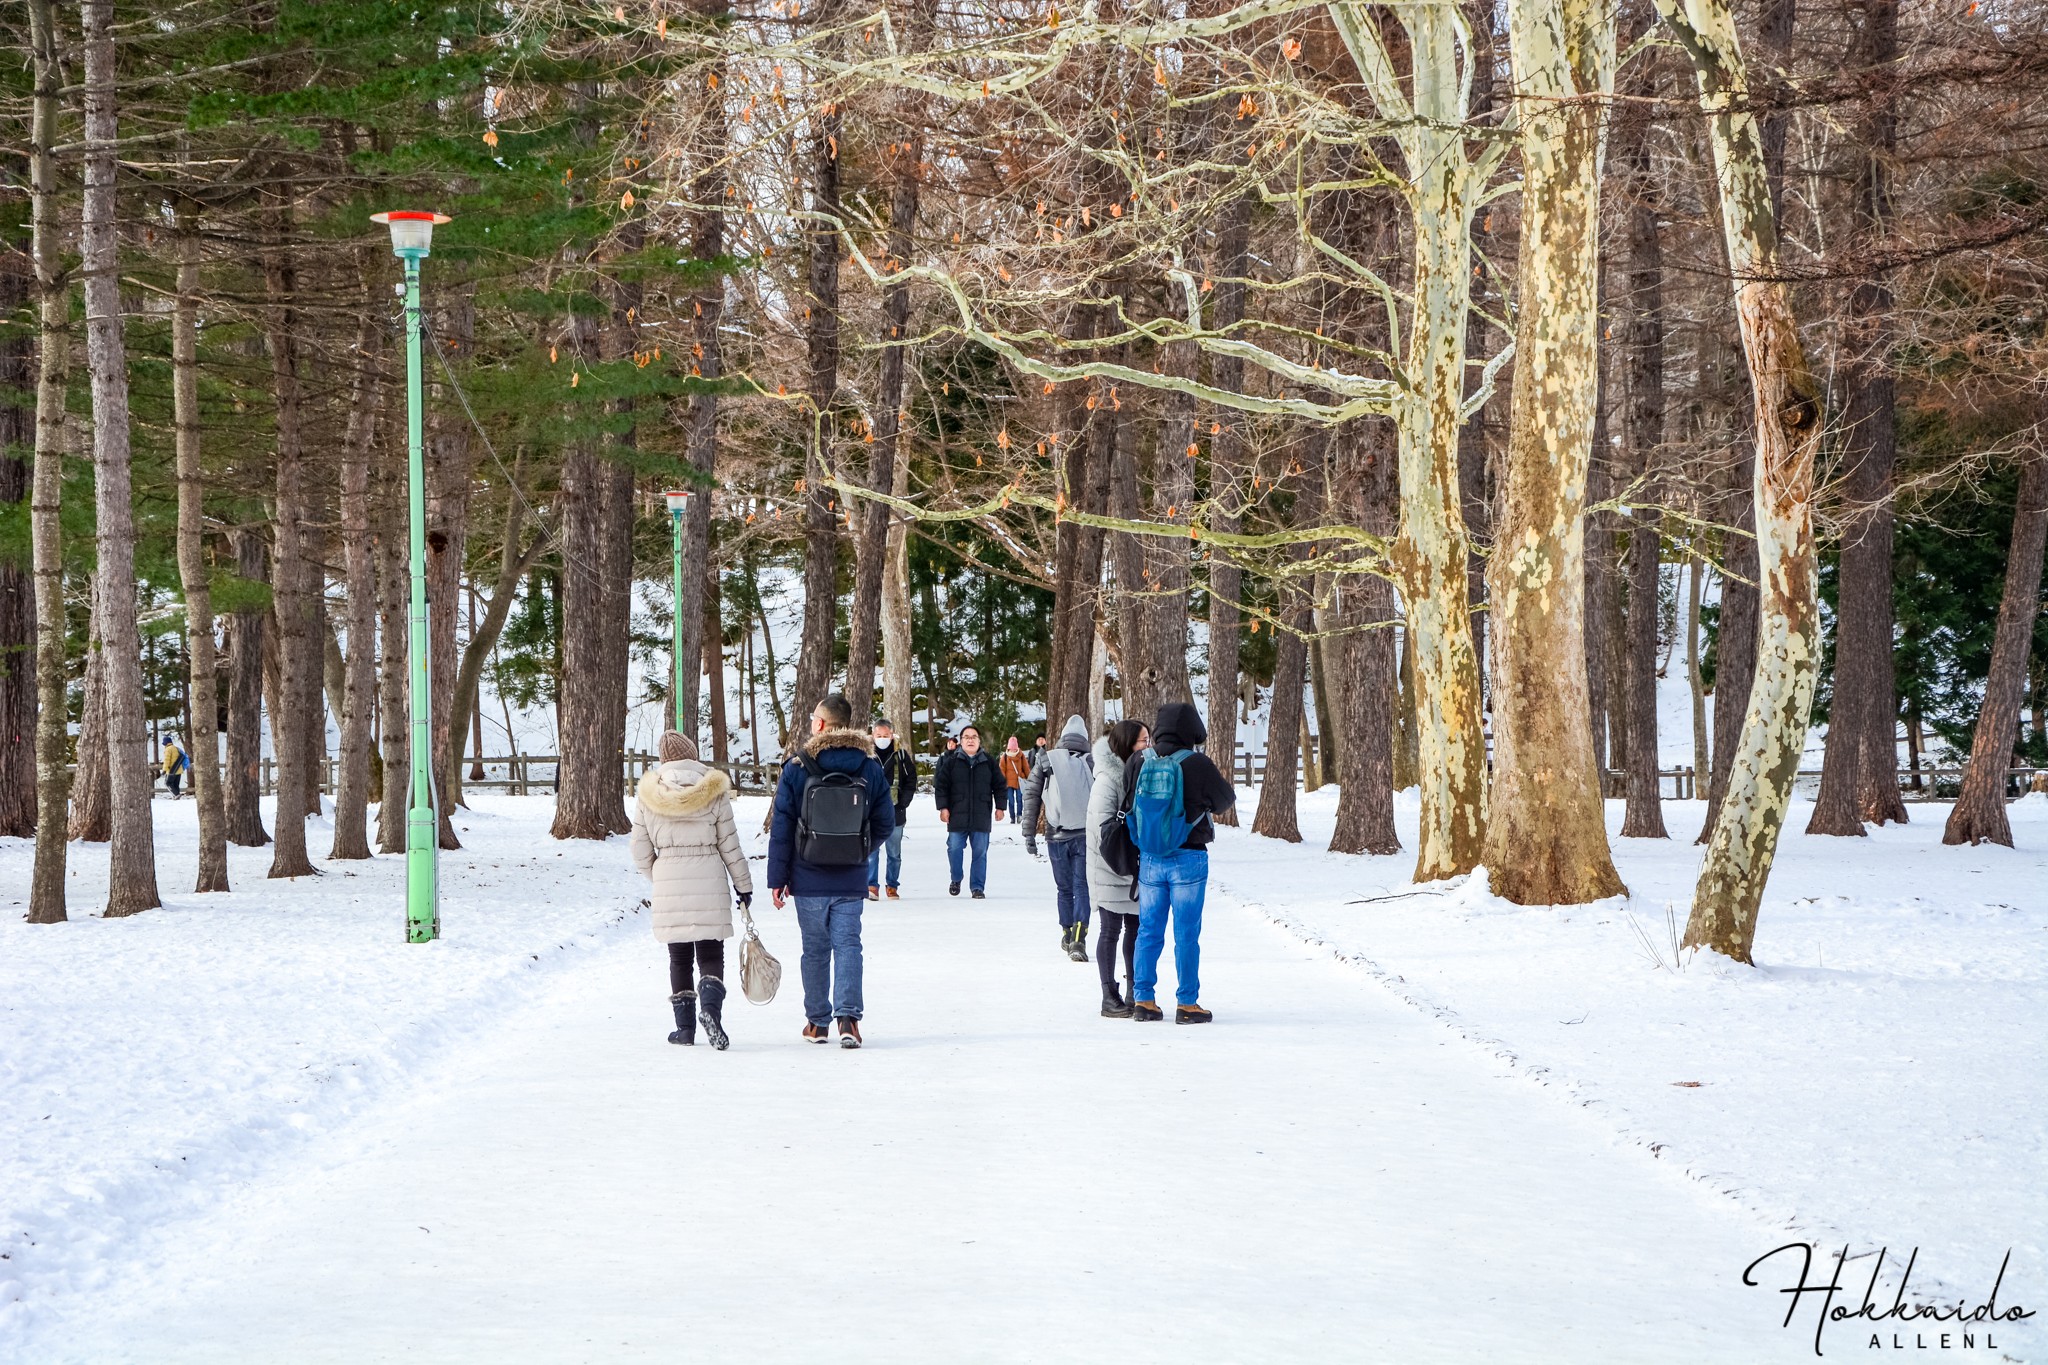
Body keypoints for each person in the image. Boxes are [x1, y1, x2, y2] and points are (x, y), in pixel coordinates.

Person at [768, 694, 895, 1048]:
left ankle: (817, 1023)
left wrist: (778, 879)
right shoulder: (869, 767)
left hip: (807, 876)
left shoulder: (797, 767)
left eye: (813, 718)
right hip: (851, 876)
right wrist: (858, 850)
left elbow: (782, 827)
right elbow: (885, 822)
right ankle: (849, 1020)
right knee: (849, 945)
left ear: (821, 725)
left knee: (815, 950)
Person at [630, 731, 753, 1050]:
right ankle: (711, 1011)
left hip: (669, 876)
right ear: (693, 755)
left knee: (679, 957)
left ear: (663, 760)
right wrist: (743, 886)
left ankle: (684, 1030)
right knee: (711, 953)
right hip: (709, 876)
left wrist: (658, 875)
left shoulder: (649, 793)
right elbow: (730, 845)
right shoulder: (714, 789)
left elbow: (640, 849)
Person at [1124, 702, 1236, 1025]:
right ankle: (1187, 1004)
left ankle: (1143, 999)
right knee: (1186, 933)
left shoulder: (1139, 760)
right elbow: (1225, 800)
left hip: (1150, 859)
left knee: (1148, 930)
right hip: (1189, 857)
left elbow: (1128, 804)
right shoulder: (1197, 763)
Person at [1087, 719, 1149, 1017]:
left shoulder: (1140, 772)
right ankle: (1108, 996)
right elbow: (1102, 827)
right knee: (1110, 930)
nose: (1147, 746)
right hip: (1109, 863)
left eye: (1149, 739)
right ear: (1126, 745)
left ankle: (1134, 990)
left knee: (1135, 930)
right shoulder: (1107, 779)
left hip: (1134, 864)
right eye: (1141, 741)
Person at [1021, 714, 1095, 962]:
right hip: (1085, 834)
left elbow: (1031, 797)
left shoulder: (1046, 758)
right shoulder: (1093, 761)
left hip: (1056, 835)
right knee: (1081, 886)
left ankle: (1066, 933)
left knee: (1064, 888)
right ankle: (1079, 937)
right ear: (1085, 738)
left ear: (1063, 738)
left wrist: (1029, 833)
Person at [931, 724, 1005, 898]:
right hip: (957, 814)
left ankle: (977, 887)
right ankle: (956, 878)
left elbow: (1000, 786)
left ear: (979, 741)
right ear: (961, 741)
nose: (970, 740)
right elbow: (941, 786)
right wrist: (943, 807)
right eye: (966, 737)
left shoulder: (989, 761)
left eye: (974, 737)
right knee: (954, 848)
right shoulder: (951, 762)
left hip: (981, 814)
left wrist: (1001, 806)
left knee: (980, 852)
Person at [868, 719, 917, 900]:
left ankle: (892, 885)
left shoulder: (901, 755)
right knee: (871, 852)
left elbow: (911, 779)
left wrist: (904, 802)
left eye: (885, 735)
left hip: (896, 811)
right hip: (871, 812)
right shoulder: (865, 755)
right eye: (878, 735)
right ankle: (871, 885)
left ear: (891, 735)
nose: (882, 739)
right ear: (872, 735)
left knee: (894, 853)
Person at [999, 736, 1033, 823]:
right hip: (1008, 782)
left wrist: (1029, 779)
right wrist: (1002, 781)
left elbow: (1026, 768)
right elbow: (1002, 769)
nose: (1013, 750)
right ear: (1008, 748)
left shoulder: (1021, 756)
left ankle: (1019, 815)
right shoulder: (1005, 757)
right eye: (1011, 749)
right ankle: (1012, 817)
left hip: (1019, 781)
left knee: (1019, 799)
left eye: (1014, 749)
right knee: (1010, 800)